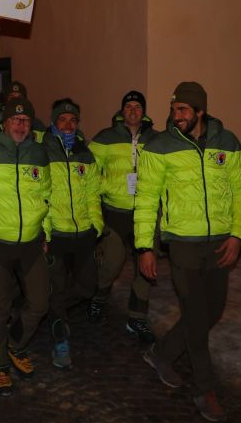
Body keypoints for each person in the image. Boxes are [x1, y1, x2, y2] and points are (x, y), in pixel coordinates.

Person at [137, 82, 241, 422]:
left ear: (200, 111)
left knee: (212, 310)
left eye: (183, 110)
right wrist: (145, 246)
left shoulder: (227, 143)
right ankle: (206, 390)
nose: (176, 116)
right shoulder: (159, 146)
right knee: (197, 317)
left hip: (219, 241)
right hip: (183, 244)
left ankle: (162, 353)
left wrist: (237, 235)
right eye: (173, 110)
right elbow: (145, 200)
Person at [0, 97, 50, 396]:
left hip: (32, 242)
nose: (20, 125)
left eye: (25, 121)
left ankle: (14, 344)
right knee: (1, 305)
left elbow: (47, 195)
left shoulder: (38, 153)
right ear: (4, 122)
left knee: (40, 302)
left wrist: (45, 233)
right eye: (15, 120)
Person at [87, 90, 158, 343]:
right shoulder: (105, 138)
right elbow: (88, 172)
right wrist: (104, 190)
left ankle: (137, 317)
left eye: (138, 106)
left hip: (146, 213)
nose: (133, 110)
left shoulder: (156, 139)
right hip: (115, 212)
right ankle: (99, 297)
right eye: (128, 106)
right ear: (121, 111)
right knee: (112, 263)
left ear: (144, 112)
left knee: (145, 269)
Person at [42, 99, 103, 369]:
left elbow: (93, 194)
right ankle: (60, 339)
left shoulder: (84, 153)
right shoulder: (42, 151)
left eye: (73, 120)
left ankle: (52, 309)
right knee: (57, 291)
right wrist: (44, 232)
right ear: (54, 121)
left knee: (89, 286)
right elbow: (39, 195)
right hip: (56, 234)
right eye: (63, 119)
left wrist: (96, 226)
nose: (68, 124)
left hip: (83, 233)